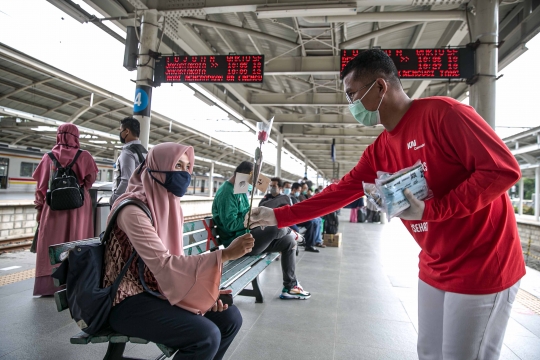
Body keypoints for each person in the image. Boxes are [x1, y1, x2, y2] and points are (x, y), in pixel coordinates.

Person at [247, 49, 525, 360]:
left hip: (482, 262)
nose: (351, 105)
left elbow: (501, 170)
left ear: (380, 87)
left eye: (353, 94)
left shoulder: (444, 114)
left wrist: (434, 210)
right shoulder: (380, 149)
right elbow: (339, 193)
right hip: (434, 262)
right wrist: (278, 215)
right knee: (430, 352)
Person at [104, 143, 254, 360]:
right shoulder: (133, 210)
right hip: (126, 299)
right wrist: (226, 255)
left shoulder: (170, 205)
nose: (184, 173)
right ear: (158, 167)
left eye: (187, 167)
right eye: (177, 165)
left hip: (157, 290)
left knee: (230, 318)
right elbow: (164, 265)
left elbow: (175, 263)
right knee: (206, 335)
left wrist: (205, 295)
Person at [212, 161, 311, 299]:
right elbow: (230, 225)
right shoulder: (227, 193)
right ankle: (293, 233)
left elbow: (246, 212)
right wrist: (253, 220)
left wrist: (257, 217)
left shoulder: (240, 187)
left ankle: (290, 287)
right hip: (238, 243)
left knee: (288, 242)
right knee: (276, 226)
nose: (254, 185)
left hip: (249, 236)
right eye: (253, 180)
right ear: (245, 176)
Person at [32, 124, 98, 296]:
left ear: (58, 136)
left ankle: (49, 286)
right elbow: (90, 179)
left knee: (51, 242)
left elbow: (41, 186)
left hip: (53, 206)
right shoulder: (85, 156)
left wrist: (40, 208)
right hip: (78, 207)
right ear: (76, 137)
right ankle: (75, 283)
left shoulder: (48, 157)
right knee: (77, 240)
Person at [110, 117, 148, 205]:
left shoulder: (127, 152)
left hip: (126, 200)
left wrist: (114, 199)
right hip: (140, 197)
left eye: (121, 130)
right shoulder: (145, 151)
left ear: (127, 131)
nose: (120, 133)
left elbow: (126, 180)